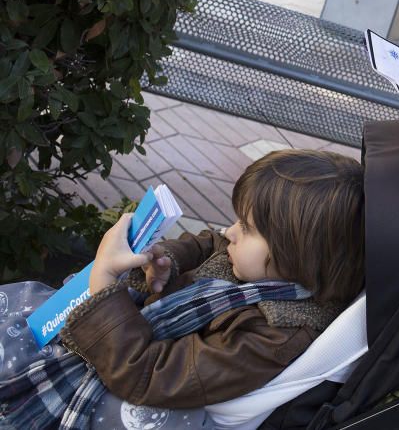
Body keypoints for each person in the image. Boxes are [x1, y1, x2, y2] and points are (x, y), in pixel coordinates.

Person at [0, 149, 365, 425]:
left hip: (144, 380)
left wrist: (102, 289)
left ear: (300, 256)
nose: (229, 231)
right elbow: (207, 243)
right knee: (27, 309)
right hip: (134, 335)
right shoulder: (266, 268)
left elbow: (150, 377)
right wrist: (164, 260)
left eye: (249, 228)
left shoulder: (270, 338)